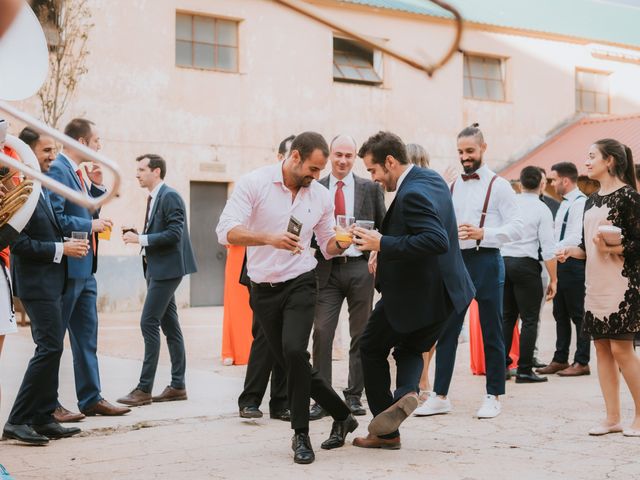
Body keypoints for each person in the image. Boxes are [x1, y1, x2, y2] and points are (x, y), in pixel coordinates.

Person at [216, 131, 357, 465]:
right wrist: (268, 238)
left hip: (301, 281)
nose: (317, 176)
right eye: (313, 168)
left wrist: (342, 243)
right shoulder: (255, 183)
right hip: (262, 287)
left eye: (320, 171)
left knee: (294, 351)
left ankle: (301, 435)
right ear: (294, 157)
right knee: (290, 363)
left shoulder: (319, 196)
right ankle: (342, 415)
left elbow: (325, 245)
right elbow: (225, 230)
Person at [351, 131, 474, 449]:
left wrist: (383, 243)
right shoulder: (430, 178)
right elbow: (421, 229)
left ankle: (385, 433)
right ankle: (407, 392)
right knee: (409, 348)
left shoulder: (410, 194)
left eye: (373, 170)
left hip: (415, 293)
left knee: (370, 348)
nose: (374, 178)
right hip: (448, 294)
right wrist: (385, 242)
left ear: (390, 161)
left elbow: (436, 239)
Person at [419, 123, 522, 419]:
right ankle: (440, 395)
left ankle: (493, 395)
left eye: (470, 151)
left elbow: (517, 227)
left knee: (492, 329)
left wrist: (483, 233)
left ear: (483, 148)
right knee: (448, 330)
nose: (465, 157)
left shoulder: (499, 185)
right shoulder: (451, 185)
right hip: (455, 262)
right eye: (460, 152)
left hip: (487, 260)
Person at [2, 127, 88, 446]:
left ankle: (42, 416)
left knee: (52, 347)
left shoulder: (39, 185)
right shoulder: (20, 186)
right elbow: (19, 243)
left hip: (50, 280)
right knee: (49, 347)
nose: (53, 157)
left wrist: (63, 243)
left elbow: (43, 233)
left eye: (54, 151)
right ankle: (17, 419)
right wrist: (59, 250)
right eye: (46, 151)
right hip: (36, 283)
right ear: (27, 152)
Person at [47, 118, 130, 419]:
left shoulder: (78, 173)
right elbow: (55, 218)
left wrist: (95, 186)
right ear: (82, 142)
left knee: (87, 338)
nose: (99, 146)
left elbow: (85, 209)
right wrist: (89, 224)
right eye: (97, 140)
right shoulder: (58, 169)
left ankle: (91, 398)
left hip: (86, 269)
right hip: (68, 268)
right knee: (54, 341)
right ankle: (49, 404)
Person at [557, 139, 640, 436]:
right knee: (602, 351)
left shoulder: (629, 197)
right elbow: (586, 246)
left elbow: (636, 244)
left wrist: (612, 249)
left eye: (592, 156)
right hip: (595, 285)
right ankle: (612, 418)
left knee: (622, 351)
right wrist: (570, 251)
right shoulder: (591, 200)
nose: (587, 161)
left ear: (611, 161)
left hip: (622, 285)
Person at [310, 134, 385, 420]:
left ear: (355, 158)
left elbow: (383, 224)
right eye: (338, 154)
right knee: (322, 332)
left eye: (348, 156)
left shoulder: (370, 188)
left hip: (360, 268)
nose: (342, 160)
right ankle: (322, 397)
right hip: (326, 268)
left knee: (361, 334)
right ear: (330, 155)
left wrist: (379, 253)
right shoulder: (316, 187)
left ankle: (354, 396)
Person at [117, 154, 197, 406]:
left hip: (167, 270)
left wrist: (140, 239)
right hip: (157, 268)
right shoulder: (155, 197)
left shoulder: (169, 196)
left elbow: (174, 234)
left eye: (141, 169)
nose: (137, 174)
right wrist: (140, 236)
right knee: (170, 327)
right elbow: (162, 232)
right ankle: (177, 386)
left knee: (148, 323)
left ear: (157, 171)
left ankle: (143, 389)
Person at [237, 135, 294, 421]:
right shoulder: (259, 185)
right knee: (263, 336)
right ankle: (249, 400)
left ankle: (281, 403)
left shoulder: (307, 191)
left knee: (289, 340)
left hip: (294, 276)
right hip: (261, 275)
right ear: (281, 157)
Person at [501, 166, 557, 383]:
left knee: (507, 317)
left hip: (504, 262)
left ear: (520, 183)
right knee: (530, 320)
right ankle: (524, 370)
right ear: (542, 184)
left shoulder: (510, 204)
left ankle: (502, 367)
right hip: (526, 265)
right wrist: (554, 278)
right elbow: (549, 248)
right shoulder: (542, 209)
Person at [537, 162, 590, 377]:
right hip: (559, 264)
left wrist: (551, 250)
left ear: (565, 181)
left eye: (554, 179)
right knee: (560, 313)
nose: (552, 183)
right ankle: (560, 358)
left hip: (573, 264)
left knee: (578, 314)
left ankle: (582, 361)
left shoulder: (580, 203)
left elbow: (577, 236)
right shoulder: (564, 204)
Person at [406, 142, 435, 397]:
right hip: (422, 265)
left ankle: (421, 379)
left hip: (416, 264)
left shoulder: (412, 188)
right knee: (425, 328)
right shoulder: (436, 186)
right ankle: (421, 378)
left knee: (418, 326)